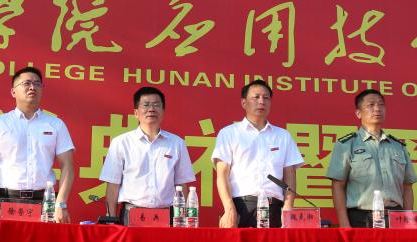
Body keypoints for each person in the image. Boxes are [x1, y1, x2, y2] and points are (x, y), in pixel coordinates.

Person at [0, 66, 75, 223]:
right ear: (13, 91)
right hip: (5, 198)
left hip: (44, 201)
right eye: (26, 83)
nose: (32, 87)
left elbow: (68, 165)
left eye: (37, 84)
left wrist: (60, 204)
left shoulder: (56, 125)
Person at [212, 79, 303, 228]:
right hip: (241, 207)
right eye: (256, 97)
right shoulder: (229, 133)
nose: (261, 101)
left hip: (274, 207)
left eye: (266, 98)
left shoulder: (283, 136)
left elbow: (290, 176)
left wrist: (288, 208)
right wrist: (229, 208)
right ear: (244, 103)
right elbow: (222, 175)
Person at [100, 86, 196, 224]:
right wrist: (111, 219)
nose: (151, 109)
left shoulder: (177, 143)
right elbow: (113, 185)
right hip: (131, 215)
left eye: (156, 105)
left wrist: (185, 220)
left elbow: (182, 184)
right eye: (146, 105)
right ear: (136, 113)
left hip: (168, 215)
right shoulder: (121, 142)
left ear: (163, 112)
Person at [327, 88, 417, 228]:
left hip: (395, 217)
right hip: (360, 218)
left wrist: (408, 221)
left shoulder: (398, 146)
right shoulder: (347, 144)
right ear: (358, 113)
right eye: (371, 105)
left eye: (381, 104)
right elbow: (337, 185)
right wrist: (344, 224)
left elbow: (407, 187)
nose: (377, 109)